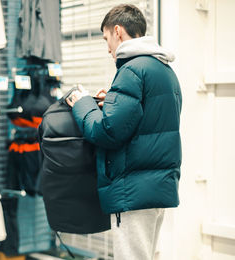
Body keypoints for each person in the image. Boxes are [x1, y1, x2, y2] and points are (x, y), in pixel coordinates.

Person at [66, 4, 182, 260]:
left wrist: (83, 103)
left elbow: (107, 131)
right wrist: (111, 103)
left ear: (117, 31)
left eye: (106, 38)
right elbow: (147, 120)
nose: (107, 48)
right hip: (155, 187)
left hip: (133, 189)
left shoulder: (131, 70)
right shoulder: (163, 69)